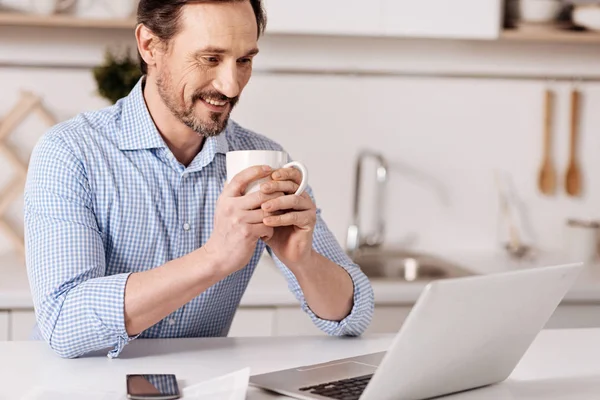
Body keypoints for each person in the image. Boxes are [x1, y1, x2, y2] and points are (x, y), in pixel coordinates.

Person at [24, 0, 374, 359]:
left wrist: (304, 261)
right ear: (150, 45)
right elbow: (64, 324)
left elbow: (355, 314)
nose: (231, 86)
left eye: (244, 61)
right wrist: (215, 258)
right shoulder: (71, 152)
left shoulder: (261, 158)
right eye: (210, 59)